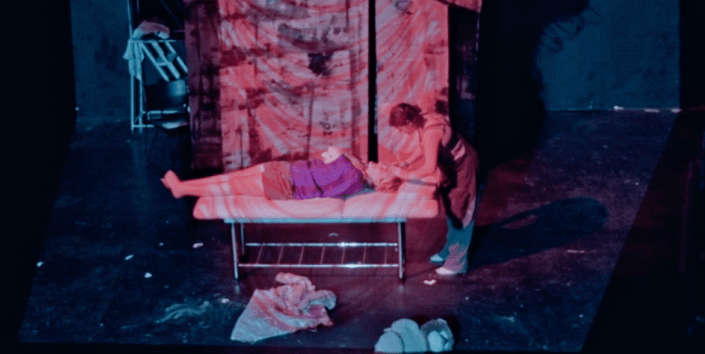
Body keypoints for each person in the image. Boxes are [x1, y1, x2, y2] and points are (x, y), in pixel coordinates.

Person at [387, 102, 479, 275]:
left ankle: (456, 264)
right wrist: (407, 163)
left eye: (401, 129)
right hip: (451, 167)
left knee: (461, 213)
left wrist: (405, 175)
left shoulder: (431, 130)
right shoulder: (422, 120)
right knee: (451, 210)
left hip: (465, 167)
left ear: (409, 122)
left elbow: (429, 167)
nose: (401, 132)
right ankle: (448, 251)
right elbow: (424, 147)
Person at [162, 147, 388, 200]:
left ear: (381, 182)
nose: (381, 165)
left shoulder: (356, 178)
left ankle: (182, 190)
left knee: (231, 187)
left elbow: (334, 151)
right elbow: (330, 154)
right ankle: (183, 185)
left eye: (384, 170)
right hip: (286, 170)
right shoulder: (355, 173)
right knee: (232, 177)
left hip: (285, 184)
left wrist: (353, 160)